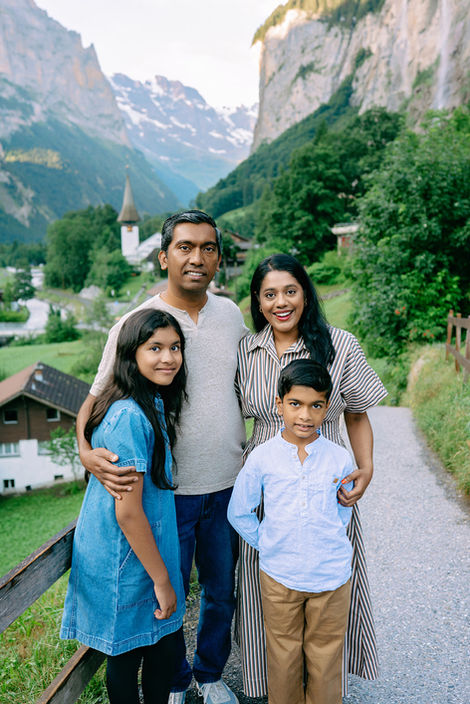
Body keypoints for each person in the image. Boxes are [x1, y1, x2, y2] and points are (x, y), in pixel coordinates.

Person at [75, 210, 247, 704]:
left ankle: (210, 676)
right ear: (164, 254)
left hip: (226, 482)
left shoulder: (230, 313)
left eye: (208, 248)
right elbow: (96, 396)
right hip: (167, 497)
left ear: (218, 255)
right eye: (185, 247)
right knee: (163, 599)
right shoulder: (136, 322)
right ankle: (173, 684)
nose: (197, 257)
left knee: (221, 591)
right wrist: (85, 451)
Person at [234, 253, 387, 698]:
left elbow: (357, 415)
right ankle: (274, 685)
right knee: (265, 584)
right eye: (269, 294)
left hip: (324, 474)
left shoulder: (340, 344)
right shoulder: (247, 349)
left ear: (305, 293)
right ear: (258, 302)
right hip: (266, 474)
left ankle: (323, 683)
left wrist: (367, 468)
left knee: (329, 578)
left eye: (290, 291)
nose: (280, 302)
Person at [60, 308, 187, 704]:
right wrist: (163, 580)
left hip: (144, 550)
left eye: (175, 347)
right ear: (131, 355)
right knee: (129, 654)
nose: (168, 357)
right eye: (155, 348)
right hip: (127, 557)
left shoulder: (149, 401)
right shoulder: (129, 416)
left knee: (162, 648)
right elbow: (128, 511)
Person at [229, 359, 354, 704]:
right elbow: (239, 512)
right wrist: (268, 543)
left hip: (331, 577)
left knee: (326, 657)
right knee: (283, 656)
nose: (305, 416)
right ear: (278, 404)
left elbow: (343, 510)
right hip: (279, 576)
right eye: (295, 404)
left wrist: (320, 541)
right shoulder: (263, 458)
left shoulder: (339, 458)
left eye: (316, 406)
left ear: (327, 407)